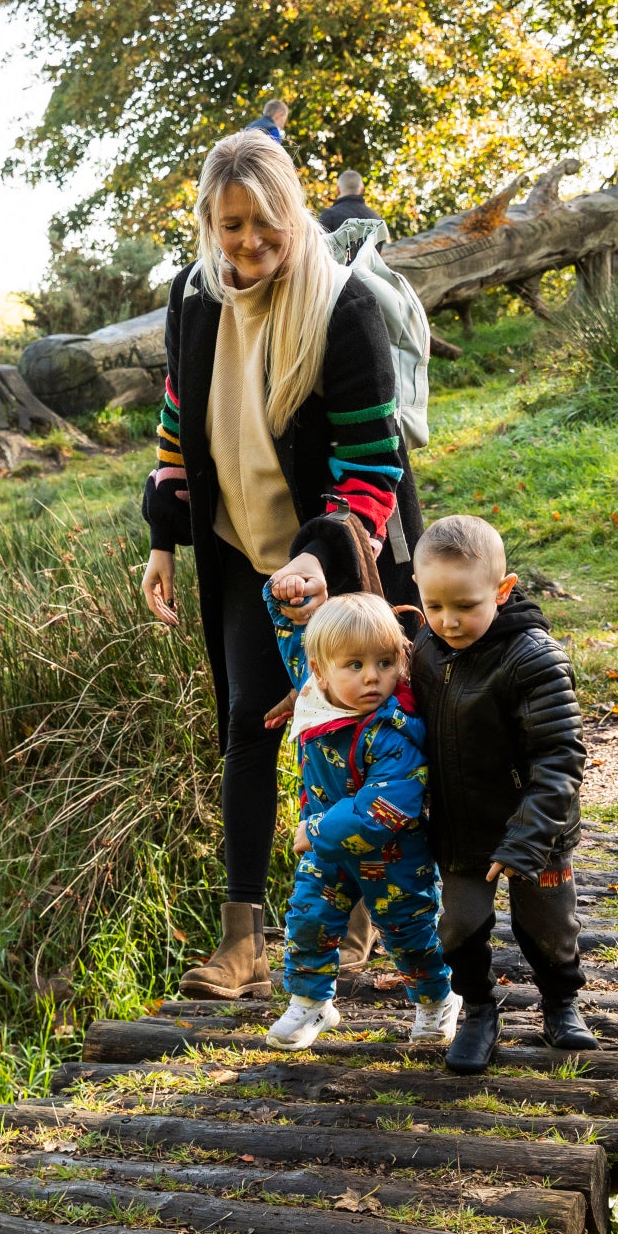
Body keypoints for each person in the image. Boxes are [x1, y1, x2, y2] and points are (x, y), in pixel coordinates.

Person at [141, 129, 424, 1000]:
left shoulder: (343, 310)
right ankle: (243, 942)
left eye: (265, 224)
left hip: (339, 557)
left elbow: (373, 469)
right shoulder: (194, 301)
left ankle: (361, 917)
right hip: (238, 552)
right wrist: (162, 537)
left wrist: (315, 563)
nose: (249, 243)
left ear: (291, 214)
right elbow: (178, 421)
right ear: (208, 223)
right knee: (245, 728)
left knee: (348, 732)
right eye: (231, 226)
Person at [404, 515, 594, 1071]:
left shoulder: (533, 659)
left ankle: (561, 1003)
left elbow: (561, 758)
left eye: (465, 606)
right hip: (463, 829)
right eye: (435, 606)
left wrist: (528, 840)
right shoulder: (426, 648)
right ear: (418, 590)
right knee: (459, 927)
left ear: (502, 590)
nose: (449, 621)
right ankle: (479, 1011)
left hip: (537, 829)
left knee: (551, 927)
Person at [261, 589, 456, 1050]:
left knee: (409, 933)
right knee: (308, 919)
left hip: (392, 855)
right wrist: (283, 593)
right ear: (320, 670)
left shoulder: (393, 733)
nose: (373, 677)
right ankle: (311, 1003)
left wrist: (314, 830)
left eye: (386, 663)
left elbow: (381, 809)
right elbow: (291, 633)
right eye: (355, 666)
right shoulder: (315, 690)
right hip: (329, 855)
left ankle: (435, 1001)